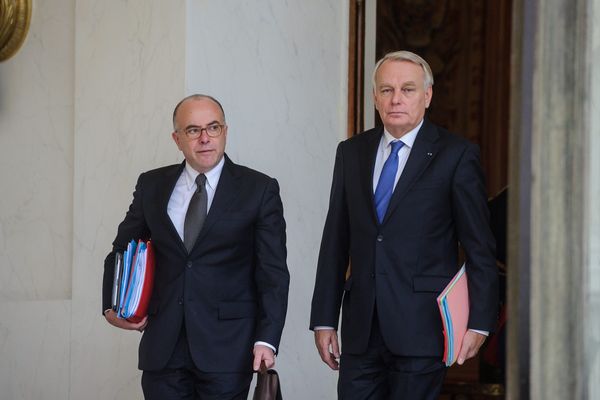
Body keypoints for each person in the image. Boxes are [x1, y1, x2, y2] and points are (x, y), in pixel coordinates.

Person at [309, 51, 498, 399]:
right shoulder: (351, 152)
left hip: (422, 328)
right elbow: (335, 239)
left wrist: (480, 323)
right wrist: (324, 318)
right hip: (361, 329)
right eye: (387, 89)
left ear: (427, 96)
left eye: (407, 89)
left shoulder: (456, 155)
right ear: (375, 98)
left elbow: (479, 247)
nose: (396, 99)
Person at [102, 94, 290, 400]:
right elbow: (122, 248)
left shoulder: (259, 189)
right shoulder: (152, 185)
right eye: (193, 130)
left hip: (228, 348)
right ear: (177, 139)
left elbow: (273, 273)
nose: (204, 138)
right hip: (163, 348)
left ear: (225, 132)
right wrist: (111, 305)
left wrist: (266, 340)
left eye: (213, 128)